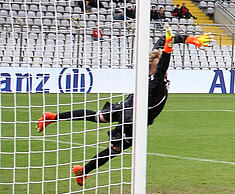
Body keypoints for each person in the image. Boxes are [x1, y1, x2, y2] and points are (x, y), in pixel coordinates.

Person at [36, 27, 212, 185]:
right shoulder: (154, 81)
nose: (162, 69)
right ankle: (83, 171)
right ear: (151, 68)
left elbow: (165, 40)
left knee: (98, 117)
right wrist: (168, 49)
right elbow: (164, 61)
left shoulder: (151, 74)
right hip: (134, 118)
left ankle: (53, 117)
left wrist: (189, 39)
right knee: (115, 149)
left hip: (129, 105)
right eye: (158, 67)